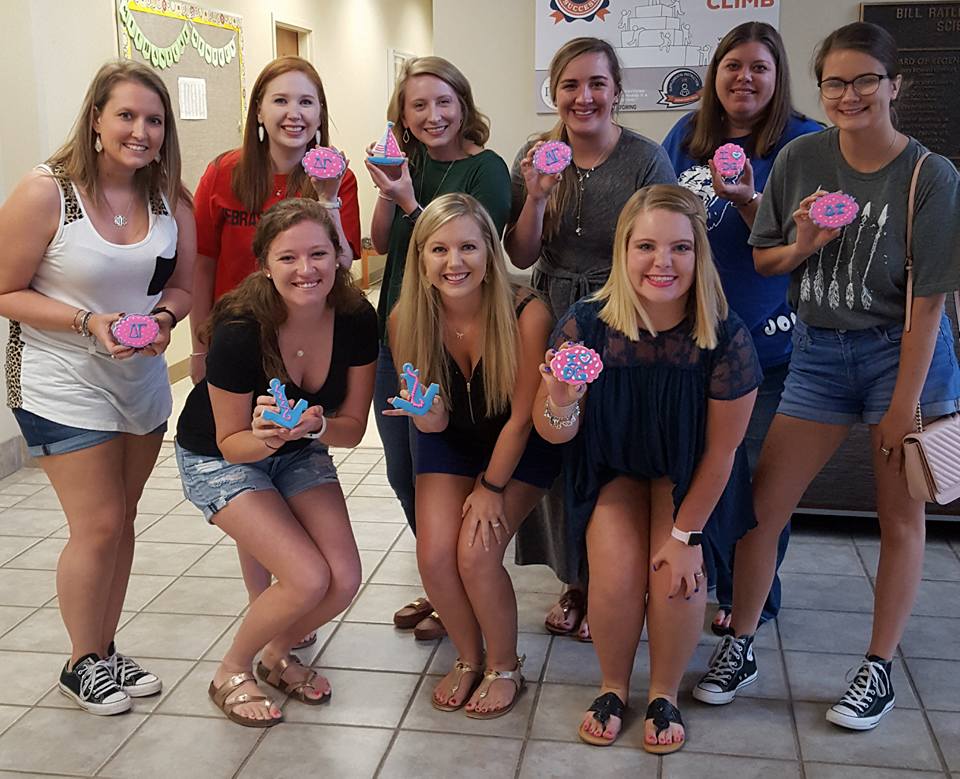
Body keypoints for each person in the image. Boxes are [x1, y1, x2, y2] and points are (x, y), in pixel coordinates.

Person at [694, 22, 960, 732]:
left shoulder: (931, 175)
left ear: (895, 85)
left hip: (902, 354)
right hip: (817, 351)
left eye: (866, 79)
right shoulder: (801, 159)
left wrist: (904, 406)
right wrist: (806, 240)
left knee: (899, 517)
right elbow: (766, 261)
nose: (850, 94)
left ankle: (878, 666)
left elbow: (929, 300)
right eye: (836, 82)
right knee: (763, 506)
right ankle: (742, 642)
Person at [533, 185, 760, 751]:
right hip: (613, 467)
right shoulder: (584, 326)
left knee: (677, 579)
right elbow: (554, 433)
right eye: (647, 246)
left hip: (690, 474)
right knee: (613, 572)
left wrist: (686, 535)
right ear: (624, 251)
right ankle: (613, 686)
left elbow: (721, 454)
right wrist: (560, 400)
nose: (663, 262)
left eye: (680, 248)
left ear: (699, 255)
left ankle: (664, 693)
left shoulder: (725, 337)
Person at [0, 60, 195, 714]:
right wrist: (89, 321)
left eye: (154, 120)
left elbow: (184, 287)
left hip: (137, 379)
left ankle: (104, 648)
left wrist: (164, 320)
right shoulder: (46, 191)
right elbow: (5, 289)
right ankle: (81, 661)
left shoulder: (169, 197)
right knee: (99, 521)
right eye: (127, 116)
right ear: (96, 119)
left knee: (124, 519)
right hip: (58, 379)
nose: (140, 131)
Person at [175, 198, 377, 727]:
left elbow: (352, 430)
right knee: (307, 577)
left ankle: (275, 652)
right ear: (264, 263)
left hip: (299, 448)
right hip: (222, 455)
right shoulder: (241, 329)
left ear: (340, 256)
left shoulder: (357, 318)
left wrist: (311, 428)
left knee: (345, 577)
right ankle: (231, 670)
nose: (306, 270)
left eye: (319, 253)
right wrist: (268, 438)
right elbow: (229, 443)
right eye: (288, 258)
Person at [505, 36, 675, 641]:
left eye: (597, 84)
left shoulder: (647, 159)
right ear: (554, 93)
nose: (584, 97)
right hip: (554, 310)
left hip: (623, 316)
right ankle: (573, 582)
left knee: (611, 444)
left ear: (616, 91)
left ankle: (614, 580)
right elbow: (520, 252)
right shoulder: (536, 154)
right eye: (570, 85)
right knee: (555, 440)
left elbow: (664, 247)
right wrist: (535, 196)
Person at [189, 56, 361, 650]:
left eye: (307, 102)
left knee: (280, 454)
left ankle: (284, 606)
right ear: (259, 111)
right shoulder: (226, 172)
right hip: (238, 340)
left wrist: (326, 198)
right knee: (245, 454)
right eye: (280, 101)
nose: (294, 113)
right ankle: (271, 604)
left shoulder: (334, 177)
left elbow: (341, 264)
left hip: (302, 334)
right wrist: (199, 343)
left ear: (320, 115)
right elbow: (203, 261)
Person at [662, 22, 823, 634]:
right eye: (733, 65)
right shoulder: (687, 135)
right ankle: (709, 576)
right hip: (694, 335)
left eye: (759, 67)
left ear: (778, 76)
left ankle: (749, 594)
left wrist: (752, 200)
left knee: (757, 481)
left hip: (770, 339)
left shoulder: (803, 144)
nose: (744, 78)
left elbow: (805, 246)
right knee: (704, 471)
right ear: (715, 74)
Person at [385, 193, 558, 717]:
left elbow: (525, 418)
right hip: (451, 439)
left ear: (489, 251)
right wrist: (426, 413)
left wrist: (491, 487)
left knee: (477, 553)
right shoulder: (404, 320)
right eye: (438, 249)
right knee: (435, 556)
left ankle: (505, 664)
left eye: (467, 247)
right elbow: (433, 422)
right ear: (420, 258)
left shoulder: (528, 311)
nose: (453, 262)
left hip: (520, 445)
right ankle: (468, 657)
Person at [365, 56, 511, 641]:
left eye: (443, 102)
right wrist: (387, 188)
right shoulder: (406, 162)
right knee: (404, 470)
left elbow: (475, 253)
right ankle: (442, 581)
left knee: (444, 465)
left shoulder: (488, 170)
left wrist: (407, 200)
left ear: (463, 104)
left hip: (461, 341)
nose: (432, 115)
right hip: (400, 332)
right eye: (417, 105)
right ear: (401, 114)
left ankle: (465, 583)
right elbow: (378, 244)